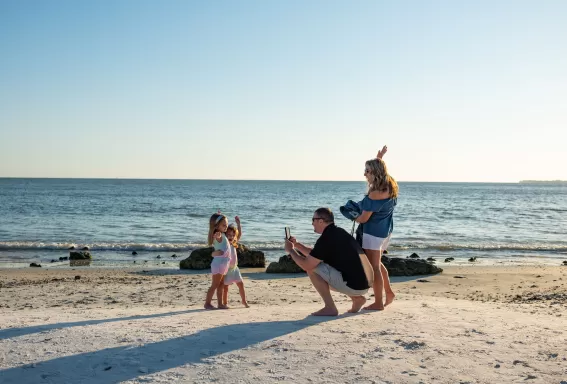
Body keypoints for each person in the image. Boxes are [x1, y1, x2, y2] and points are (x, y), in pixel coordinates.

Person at [284, 208, 374, 316]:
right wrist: (297, 245)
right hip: (365, 283)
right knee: (321, 264)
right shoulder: (338, 232)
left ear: (321, 221)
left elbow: (306, 265)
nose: (312, 223)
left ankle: (330, 307)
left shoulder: (326, 238)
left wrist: (291, 250)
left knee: (312, 269)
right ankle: (357, 299)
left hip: (355, 286)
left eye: (313, 219)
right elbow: (315, 254)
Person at [355, 157, 399, 310]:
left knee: (374, 266)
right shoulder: (390, 185)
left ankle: (378, 302)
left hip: (373, 233)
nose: (364, 174)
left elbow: (363, 219)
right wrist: (379, 157)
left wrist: (351, 214)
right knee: (377, 263)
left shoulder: (374, 194)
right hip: (385, 231)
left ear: (375, 172)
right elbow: (381, 170)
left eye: (367, 170)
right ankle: (389, 292)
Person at [204, 213, 231, 310]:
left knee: (221, 284)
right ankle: (207, 303)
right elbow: (217, 236)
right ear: (216, 225)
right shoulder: (218, 235)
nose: (226, 227)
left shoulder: (223, 235)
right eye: (224, 225)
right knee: (215, 284)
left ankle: (220, 304)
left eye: (227, 224)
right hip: (219, 264)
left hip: (224, 263)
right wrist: (218, 235)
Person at [222, 216, 250, 308]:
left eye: (232, 235)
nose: (231, 237)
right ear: (225, 235)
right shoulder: (224, 243)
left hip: (235, 268)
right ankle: (225, 303)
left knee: (241, 284)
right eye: (228, 235)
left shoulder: (234, 243)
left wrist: (238, 224)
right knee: (225, 287)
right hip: (226, 269)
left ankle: (244, 301)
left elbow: (239, 234)